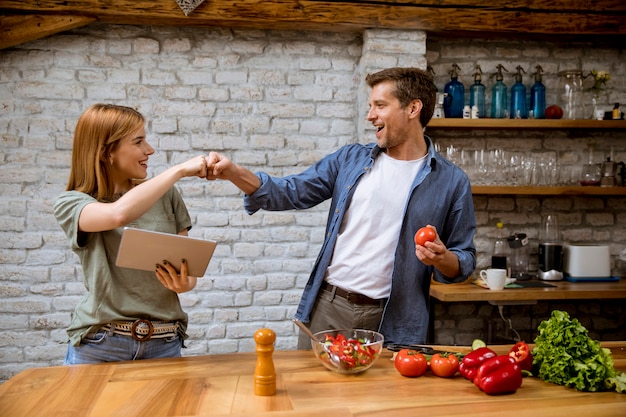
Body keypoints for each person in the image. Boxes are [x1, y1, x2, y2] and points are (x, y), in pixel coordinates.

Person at [205, 67, 476, 348]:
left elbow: (463, 259)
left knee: (385, 394)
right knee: (310, 392)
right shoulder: (350, 160)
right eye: (370, 106)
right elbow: (290, 192)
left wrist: (441, 258)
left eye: (380, 106)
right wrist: (234, 173)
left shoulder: (451, 181)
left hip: (394, 318)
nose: (370, 116)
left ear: (413, 108)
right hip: (328, 310)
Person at [54, 103, 209, 364]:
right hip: (100, 345)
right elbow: (117, 215)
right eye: (138, 141)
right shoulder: (72, 203)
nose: (150, 150)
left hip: (164, 342)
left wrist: (186, 282)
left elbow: (188, 270)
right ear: (106, 152)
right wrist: (178, 170)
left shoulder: (167, 195)